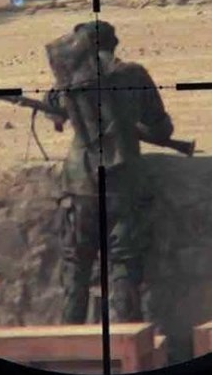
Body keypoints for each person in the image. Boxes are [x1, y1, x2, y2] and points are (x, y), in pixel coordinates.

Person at [44, 20, 173, 325]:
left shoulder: (68, 77)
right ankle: (127, 338)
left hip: (79, 186)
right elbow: (162, 128)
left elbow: (54, 113)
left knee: (76, 269)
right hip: (124, 184)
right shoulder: (133, 75)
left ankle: (69, 343)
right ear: (114, 44)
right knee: (124, 266)